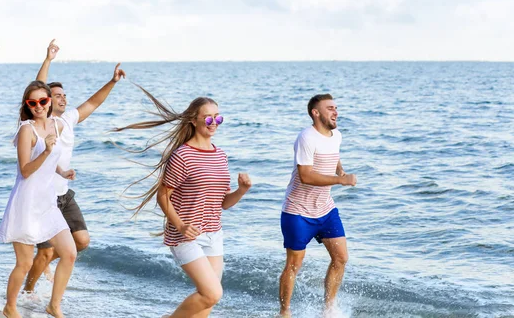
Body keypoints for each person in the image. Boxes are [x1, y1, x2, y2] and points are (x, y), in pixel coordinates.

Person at [114, 88, 252, 318]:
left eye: (218, 117)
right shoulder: (183, 156)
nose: (214, 122)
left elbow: (224, 203)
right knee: (211, 293)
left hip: (213, 234)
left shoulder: (221, 156)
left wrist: (242, 190)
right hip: (185, 236)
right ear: (193, 120)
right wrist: (180, 226)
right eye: (208, 118)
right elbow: (162, 196)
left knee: (207, 302)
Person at [23, 39, 126, 293]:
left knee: (82, 240)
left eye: (64, 96)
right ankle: (28, 289)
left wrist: (112, 82)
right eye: (57, 96)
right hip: (43, 197)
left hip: (64, 195)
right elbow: (36, 88)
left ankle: (42, 263)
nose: (63, 99)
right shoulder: (41, 123)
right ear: (46, 100)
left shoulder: (68, 120)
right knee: (45, 253)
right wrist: (48, 59)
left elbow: (93, 103)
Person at [0, 81, 77, 318]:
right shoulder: (26, 130)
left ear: (49, 101)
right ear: (28, 105)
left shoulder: (57, 125)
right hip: (26, 203)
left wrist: (62, 172)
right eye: (33, 103)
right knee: (25, 264)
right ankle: (10, 307)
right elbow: (25, 170)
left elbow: (50, 163)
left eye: (43, 101)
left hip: (47, 203)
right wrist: (45, 151)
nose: (39, 106)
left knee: (69, 253)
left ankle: (54, 305)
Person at [278, 94, 357, 317]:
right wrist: (341, 180)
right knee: (294, 265)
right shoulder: (306, 137)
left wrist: (339, 168)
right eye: (330, 108)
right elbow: (306, 176)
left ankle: (328, 310)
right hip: (298, 212)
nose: (335, 112)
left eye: (336, 108)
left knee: (341, 258)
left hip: (326, 209)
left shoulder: (336, 135)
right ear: (316, 112)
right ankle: (284, 312)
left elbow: (333, 153)